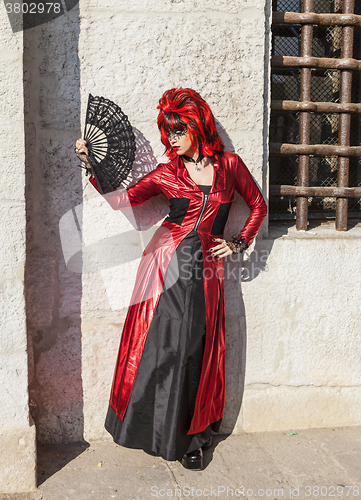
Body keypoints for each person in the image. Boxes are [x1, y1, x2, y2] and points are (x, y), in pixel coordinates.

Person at [75, 88, 267, 470]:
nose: (171, 139)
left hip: (206, 269)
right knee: (159, 345)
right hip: (164, 261)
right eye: (167, 133)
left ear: (196, 127)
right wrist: (93, 165)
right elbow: (126, 200)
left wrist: (238, 242)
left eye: (177, 131)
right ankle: (150, 429)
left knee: (197, 345)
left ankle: (194, 437)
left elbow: (258, 205)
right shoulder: (168, 172)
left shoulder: (229, 165)